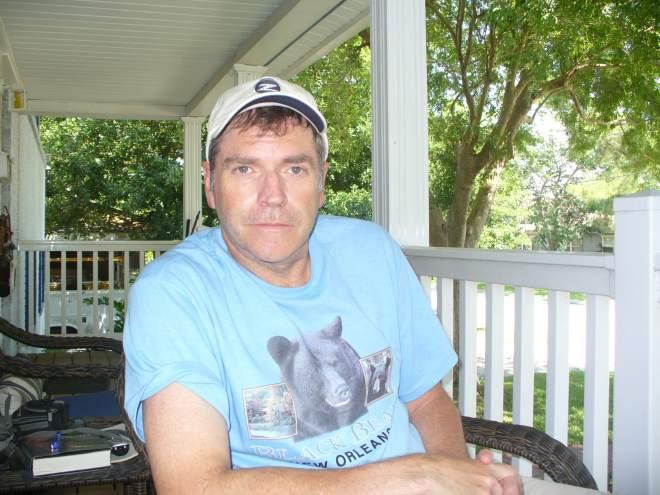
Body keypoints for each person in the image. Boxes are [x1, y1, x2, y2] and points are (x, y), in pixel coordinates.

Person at [123, 77, 605, 494]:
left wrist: (454, 475)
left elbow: (426, 398)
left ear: (322, 182)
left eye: (294, 168)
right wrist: (411, 478)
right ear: (210, 183)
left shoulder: (370, 250)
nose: (273, 196)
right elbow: (193, 485)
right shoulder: (174, 293)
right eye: (245, 168)